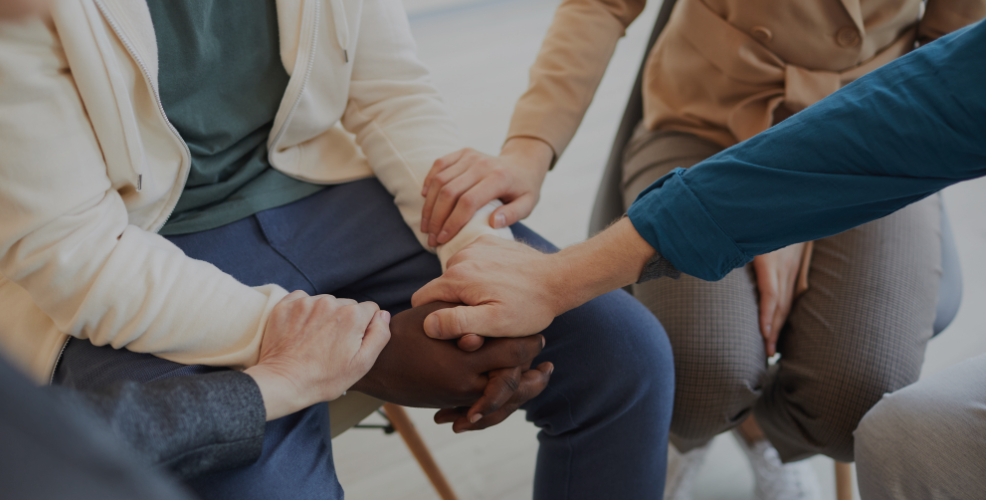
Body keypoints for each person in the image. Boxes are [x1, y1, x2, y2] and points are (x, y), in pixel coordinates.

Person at [0, 2, 674, 499]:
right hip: (132, 253)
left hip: (322, 190)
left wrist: (475, 257)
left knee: (624, 353)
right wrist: (359, 351)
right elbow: (71, 248)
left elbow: (389, 97)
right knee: (255, 482)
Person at [417, 0, 984, 496]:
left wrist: (792, 210)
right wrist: (528, 149)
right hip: (708, 113)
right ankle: (699, 432)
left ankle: (756, 430)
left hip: (877, 136)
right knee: (697, 382)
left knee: (850, 403)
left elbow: (945, 74)